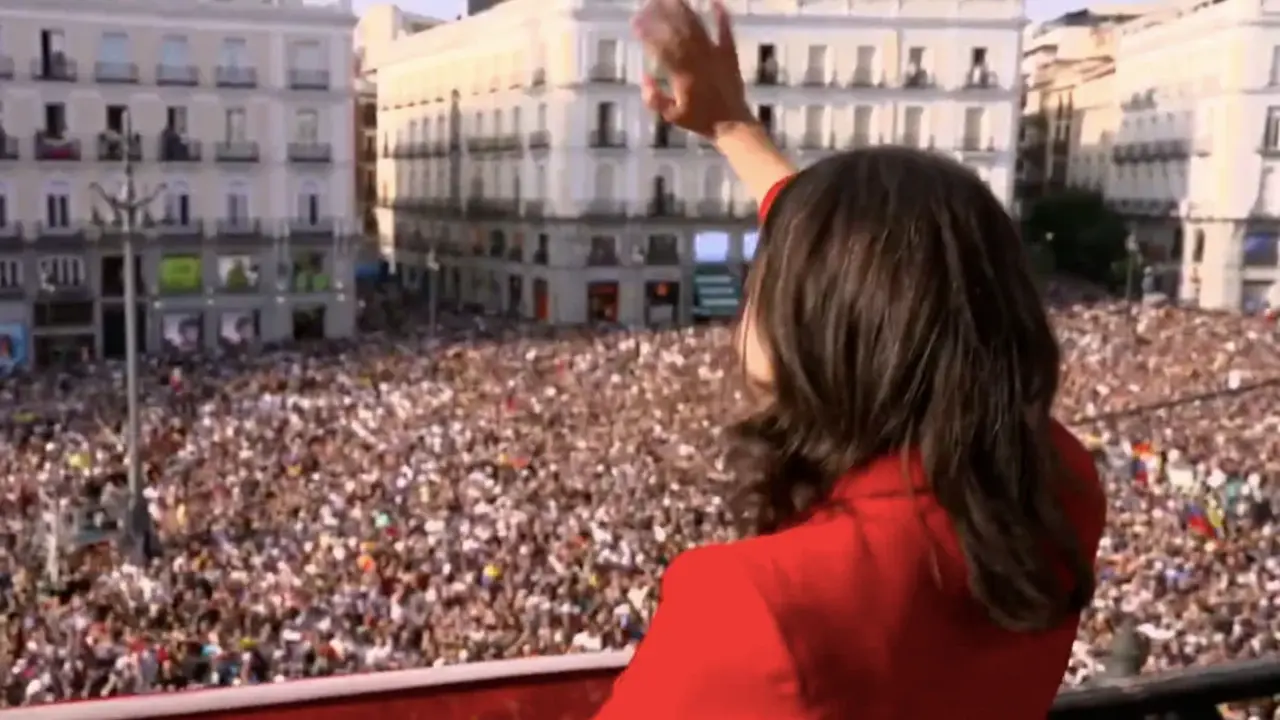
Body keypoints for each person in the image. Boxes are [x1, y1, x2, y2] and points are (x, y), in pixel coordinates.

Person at [593, 2, 1107, 719]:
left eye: (765, 273)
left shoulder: (756, 604)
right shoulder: (1056, 485)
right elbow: (876, 270)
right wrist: (733, 128)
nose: (753, 289)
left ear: (821, 325)